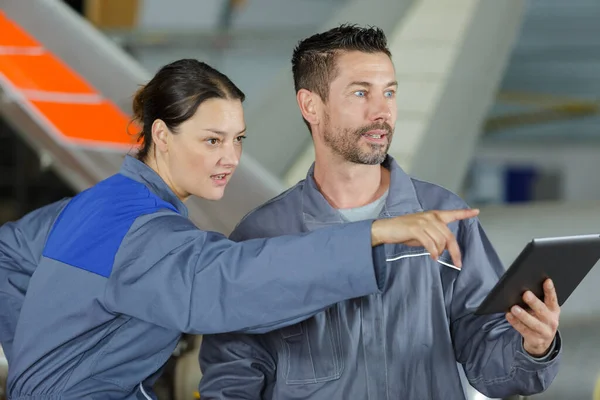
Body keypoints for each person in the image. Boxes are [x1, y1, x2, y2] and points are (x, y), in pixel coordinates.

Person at [0, 58, 478, 400]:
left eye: (237, 139)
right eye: (212, 140)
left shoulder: (95, 206)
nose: (230, 158)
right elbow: (236, 280)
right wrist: (373, 235)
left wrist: (37, 367)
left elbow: (8, 254)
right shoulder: (147, 234)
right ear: (162, 136)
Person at [198, 25, 562, 399]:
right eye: (361, 93)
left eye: (389, 92)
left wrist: (532, 347)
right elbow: (233, 375)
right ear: (311, 105)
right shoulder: (264, 236)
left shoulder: (444, 216)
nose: (382, 111)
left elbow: (489, 362)